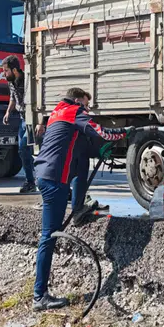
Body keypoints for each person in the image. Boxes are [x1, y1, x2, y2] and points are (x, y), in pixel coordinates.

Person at [31, 88, 133, 311]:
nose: (86, 110)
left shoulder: (57, 113)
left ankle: (78, 208)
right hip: (54, 180)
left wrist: (97, 151)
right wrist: (125, 132)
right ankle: (39, 296)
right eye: (86, 105)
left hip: (45, 174)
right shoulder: (73, 111)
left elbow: (77, 148)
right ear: (78, 100)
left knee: (50, 235)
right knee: (49, 236)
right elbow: (100, 131)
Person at [1, 55, 37, 193]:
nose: (4, 74)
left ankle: (36, 177)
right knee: (23, 151)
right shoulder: (11, 81)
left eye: (6, 70)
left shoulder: (27, 80)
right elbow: (13, 98)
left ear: (14, 70)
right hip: (22, 118)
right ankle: (30, 181)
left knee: (24, 148)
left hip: (31, 119)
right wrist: (8, 112)